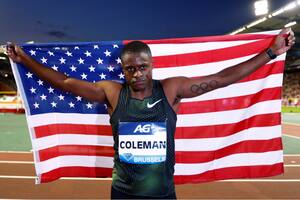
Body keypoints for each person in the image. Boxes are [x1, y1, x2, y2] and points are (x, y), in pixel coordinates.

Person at [7, 28, 295, 199]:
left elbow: (221, 78)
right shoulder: (113, 93)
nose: (137, 74)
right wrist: (26, 60)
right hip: (122, 194)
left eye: (142, 66)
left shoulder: (171, 90)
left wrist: (270, 53)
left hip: (163, 195)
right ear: (123, 69)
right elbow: (66, 83)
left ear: (152, 64)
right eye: (130, 68)